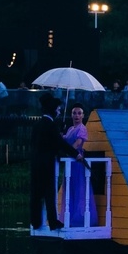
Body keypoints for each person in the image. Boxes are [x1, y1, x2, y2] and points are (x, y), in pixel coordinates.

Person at [30, 94, 83, 231]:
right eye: (58, 109)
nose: (59, 111)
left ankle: (35, 221)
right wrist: (75, 153)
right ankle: (53, 222)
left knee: (36, 193)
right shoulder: (50, 125)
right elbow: (59, 144)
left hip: (36, 163)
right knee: (49, 192)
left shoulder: (37, 125)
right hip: (47, 163)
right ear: (53, 110)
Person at [62, 104, 97, 227]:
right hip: (70, 160)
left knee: (79, 188)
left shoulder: (82, 128)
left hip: (76, 161)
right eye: (74, 113)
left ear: (82, 115)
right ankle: (70, 216)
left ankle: (80, 218)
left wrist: (67, 151)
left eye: (79, 113)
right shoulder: (70, 128)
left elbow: (77, 144)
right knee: (70, 188)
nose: (76, 115)